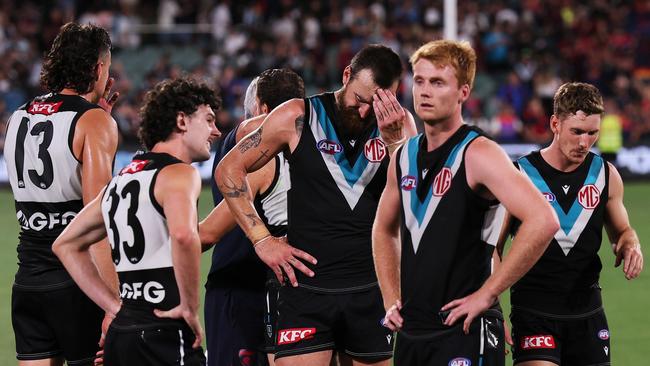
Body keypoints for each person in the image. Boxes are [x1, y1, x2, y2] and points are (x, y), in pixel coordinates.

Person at [216, 44, 418, 366]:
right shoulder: (297, 116)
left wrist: (396, 143)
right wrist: (262, 240)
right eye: (361, 99)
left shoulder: (399, 126)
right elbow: (229, 169)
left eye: (378, 104)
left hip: (370, 290)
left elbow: (414, 207)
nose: (366, 112)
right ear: (346, 75)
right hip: (305, 290)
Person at [372, 40, 560, 366]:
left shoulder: (480, 153)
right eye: (419, 81)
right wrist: (391, 297)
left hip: (465, 331)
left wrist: (488, 294)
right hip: (413, 332)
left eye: (438, 82)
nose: (425, 91)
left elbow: (543, 220)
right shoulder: (403, 156)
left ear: (463, 92)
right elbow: (383, 230)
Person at [52, 77, 222, 365]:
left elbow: (65, 244)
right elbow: (184, 236)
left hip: (123, 333)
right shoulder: (180, 174)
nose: (216, 131)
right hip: (166, 328)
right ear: (182, 121)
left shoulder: (121, 180)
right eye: (208, 120)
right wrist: (190, 308)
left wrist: (114, 307)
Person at [500, 82, 644, 366]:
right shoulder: (520, 175)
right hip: (534, 311)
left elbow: (622, 231)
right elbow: (492, 247)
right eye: (576, 131)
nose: (584, 142)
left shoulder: (606, 175)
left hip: (587, 312)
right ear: (555, 123)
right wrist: (492, 309)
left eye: (592, 133)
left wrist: (631, 244)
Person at [3, 22, 119, 365]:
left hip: (28, 281)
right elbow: (96, 222)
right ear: (98, 68)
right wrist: (114, 304)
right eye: (107, 68)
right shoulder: (94, 123)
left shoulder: (18, 116)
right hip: (77, 284)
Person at [201, 68, 305, 366]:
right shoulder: (303, 150)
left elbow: (206, 235)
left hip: (245, 288)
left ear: (260, 105)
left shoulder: (257, 144)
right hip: (277, 285)